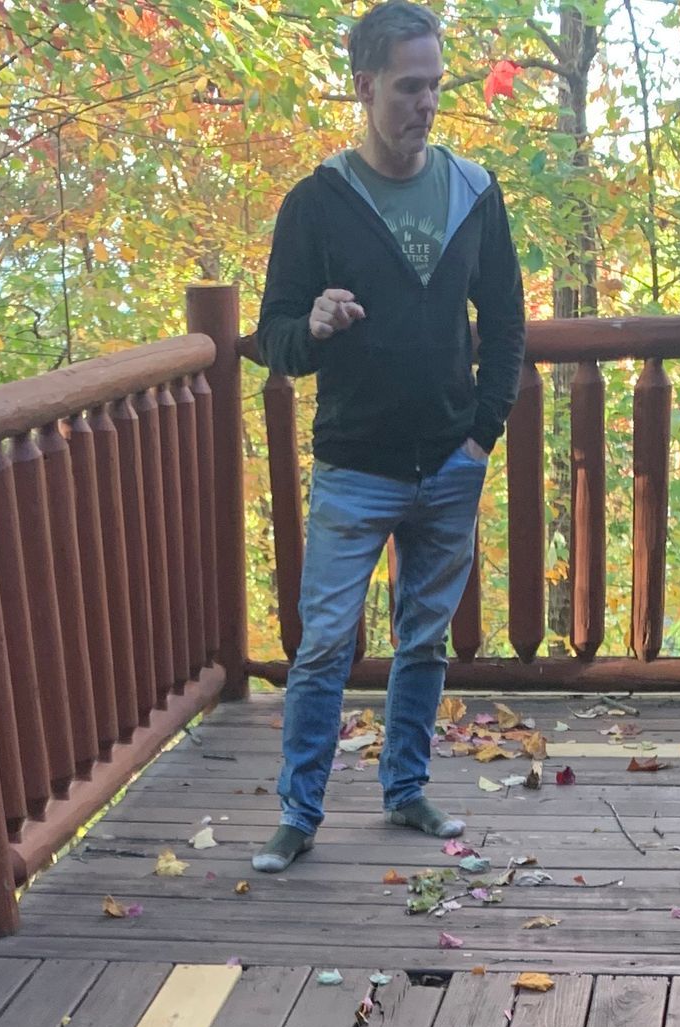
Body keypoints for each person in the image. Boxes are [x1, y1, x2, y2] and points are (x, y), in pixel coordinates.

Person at [253, 0, 525, 874]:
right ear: (365, 87)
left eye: (435, 85)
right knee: (324, 645)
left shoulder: (475, 192)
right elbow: (274, 337)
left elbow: (507, 326)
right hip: (353, 468)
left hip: (449, 462)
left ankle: (405, 790)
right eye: (409, 87)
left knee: (425, 640)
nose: (426, 103)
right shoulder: (317, 203)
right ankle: (299, 813)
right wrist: (312, 325)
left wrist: (481, 437)